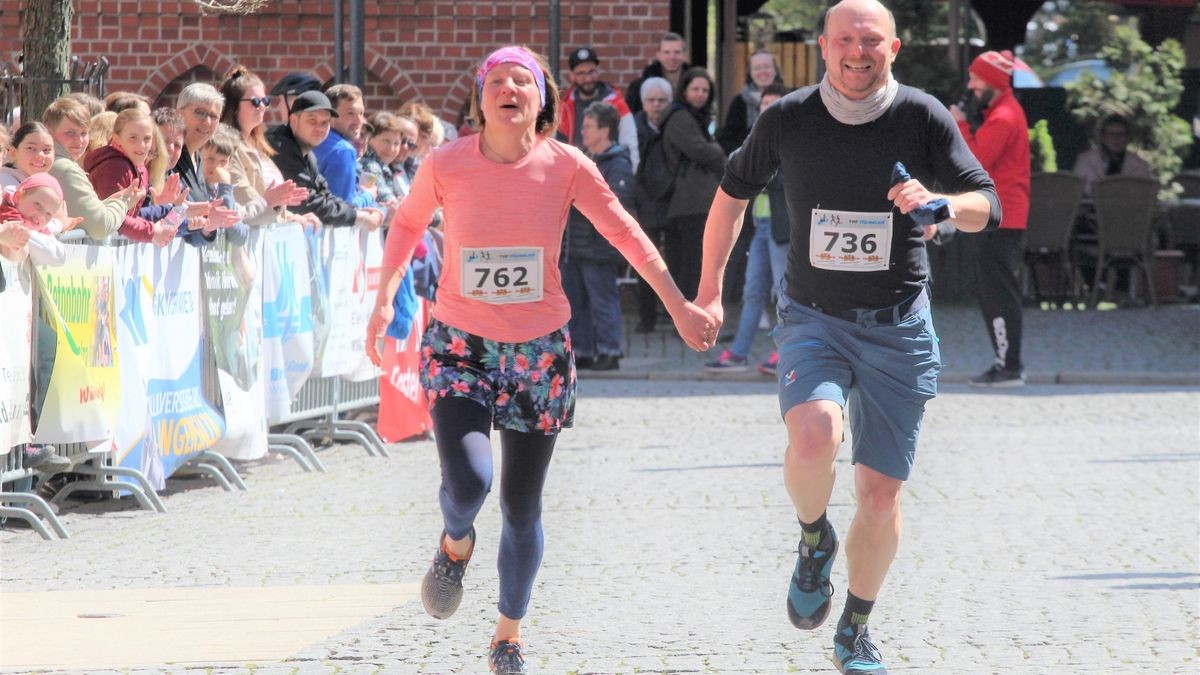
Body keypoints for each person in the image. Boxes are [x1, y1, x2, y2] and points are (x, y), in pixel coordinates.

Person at [363, 46, 715, 674]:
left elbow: (625, 233)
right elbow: (409, 224)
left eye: (521, 80)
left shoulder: (567, 165)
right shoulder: (447, 162)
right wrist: (385, 298)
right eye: (495, 81)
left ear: (542, 99)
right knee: (469, 483)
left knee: (522, 508)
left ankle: (508, 635)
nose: (508, 88)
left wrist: (680, 305)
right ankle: (454, 544)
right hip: (460, 343)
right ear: (480, 99)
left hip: (539, 350)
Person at [694, 2, 1001, 673]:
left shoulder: (921, 115)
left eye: (870, 41)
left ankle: (855, 628)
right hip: (814, 317)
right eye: (844, 41)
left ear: (894, 46)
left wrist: (943, 205)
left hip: (899, 328)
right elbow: (731, 194)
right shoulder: (787, 118)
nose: (857, 53)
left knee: (881, 494)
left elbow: (988, 201)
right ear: (823, 48)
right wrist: (711, 289)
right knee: (813, 436)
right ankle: (813, 540)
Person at [951, 50, 1031, 387]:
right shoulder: (1005, 111)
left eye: (975, 78)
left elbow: (975, 160)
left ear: (992, 81)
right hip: (1002, 217)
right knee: (997, 292)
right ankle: (1006, 363)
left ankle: (1009, 367)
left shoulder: (1003, 117)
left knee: (998, 294)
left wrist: (959, 123)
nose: (971, 85)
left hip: (1000, 219)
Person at [705, 82, 791, 375]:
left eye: (774, 104)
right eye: (764, 104)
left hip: (784, 229)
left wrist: (759, 177)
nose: (768, 109)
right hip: (761, 227)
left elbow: (782, 181)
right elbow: (738, 168)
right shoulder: (757, 140)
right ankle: (739, 353)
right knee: (752, 291)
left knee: (785, 294)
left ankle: (786, 354)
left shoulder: (795, 141)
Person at [560, 102, 635, 371]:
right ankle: (583, 350)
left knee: (603, 301)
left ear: (605, 130)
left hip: (599, 247)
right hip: (577, 246)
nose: (583, 131)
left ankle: (609, 351)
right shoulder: (588, 160)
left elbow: (617, 203)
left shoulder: (617, 164)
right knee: (576, 302)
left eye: (588, 126)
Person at [265, 90, 384, 229]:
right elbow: (306, 202)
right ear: (294, 121)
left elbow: (325, 194)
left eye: (325, 123)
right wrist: (357, 217)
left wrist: (355, 211)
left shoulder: (307, 152)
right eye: (312, 121)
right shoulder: (281, 147)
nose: (320, 129)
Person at [218, 65, 311, 228]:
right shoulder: (226, 149)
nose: (262, 106)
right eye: (255, 101)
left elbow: (269, 201)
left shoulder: (259, 148)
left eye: (265, 101)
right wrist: (277, 206)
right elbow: (244, 198)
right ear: (233, 106)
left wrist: (290, 216)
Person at [661, 66, 725, 301]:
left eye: (705, 90)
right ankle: (689, 308)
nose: (700, 94)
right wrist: (718, 150)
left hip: (695, 201)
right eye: (695, 89)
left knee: (694, 259)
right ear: (684, 91)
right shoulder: (680, 117)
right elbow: (702, 152)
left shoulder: (697, 118)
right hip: (689, 202)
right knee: (690, 260)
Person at [44, 97, 143, 241]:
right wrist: (124, 202)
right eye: (70, 133)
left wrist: (114, 200)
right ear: (49, 131)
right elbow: (99, 226)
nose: (79, 141)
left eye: (84, 133)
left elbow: (85, 217)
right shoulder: (64, 168)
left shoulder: (59, 164)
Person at [83, 108, 186, 246]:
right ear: (116, 139)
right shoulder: (114, 167)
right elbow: (114, 218)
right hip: (94, 249)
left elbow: (134, 217)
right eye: (133, 138)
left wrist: (175, 216)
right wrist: (154, 231)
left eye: (147, 139)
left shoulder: (139, 167)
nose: (142, 145)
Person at [631, 76, 675, 333]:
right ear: (643, 102)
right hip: (644, 202)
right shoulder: (633, 128)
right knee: (646, 264)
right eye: (651, 100)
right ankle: (646, 318)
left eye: (661, 100)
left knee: (676, 265)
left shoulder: (677, 124)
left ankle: (673, 314)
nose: (656, 105)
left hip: (671, 203)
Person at [557, 47, 639, 171]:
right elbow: (558, 148)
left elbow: (630, 144)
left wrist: (627, 175)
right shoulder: (565, 108)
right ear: (572, 76)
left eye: (591, 71)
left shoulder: (617, 104)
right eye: (581, 73)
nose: (588, 78)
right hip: (576, 175)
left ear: (598, 71)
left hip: (610, 174)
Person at [313, 84, 373, 205]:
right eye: (350, 113)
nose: (358, 121)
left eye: (361, 113)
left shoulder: (311, 139)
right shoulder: (343, 151)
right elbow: (344, 209)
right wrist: (369, 196)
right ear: (330, 115)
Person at [716, 50, 785, 155]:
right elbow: (727, 141)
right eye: (757, 68)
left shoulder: (790, 98)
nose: (762, 71)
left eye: (767, 66)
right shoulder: (739, 102)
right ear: (750, 73)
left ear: (775, 70)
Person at [1073, 112, 1153, 198]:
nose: (1116, 138)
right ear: (1103, 137)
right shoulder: (1085, 160)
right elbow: (1078, 190)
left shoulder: (1139, 165)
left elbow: (1143, 194)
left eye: (1121, 134)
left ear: (1127, 137)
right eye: (1111, 134)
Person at [625, 32, 691, 115]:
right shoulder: (639, 86)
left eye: (677, 52)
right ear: (658, 55)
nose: (672, 57)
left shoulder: (694, 84)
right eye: (666, 52)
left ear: (684, 55)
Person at [1, 122, 56, 192]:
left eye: (47, 150)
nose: (41, 155)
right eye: (31, 148)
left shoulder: (50, 186)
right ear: (13, 153)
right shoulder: (6, 188)